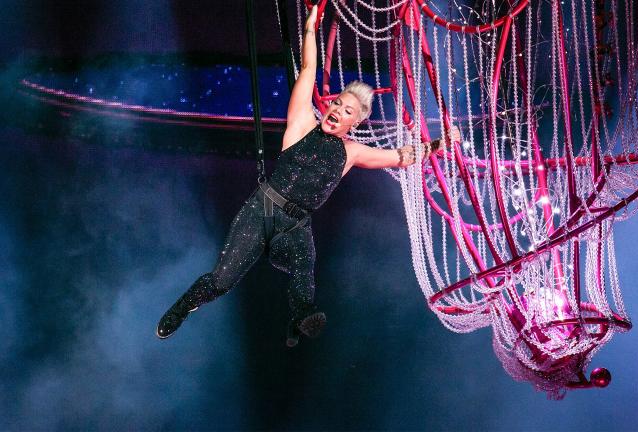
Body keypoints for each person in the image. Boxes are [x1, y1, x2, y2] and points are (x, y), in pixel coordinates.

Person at [156, 5, 460, 347]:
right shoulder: (302, 122)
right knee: (222, 280)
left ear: (355, 122)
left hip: (296, 225)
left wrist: (439, 143)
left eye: (346, 111)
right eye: (336, 104)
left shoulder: (352, 152)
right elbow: (309, 67)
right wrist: (312, 25)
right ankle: (183, 306)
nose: (336, 111)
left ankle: (302, 316)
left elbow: (402, 157)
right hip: (262, 212)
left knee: (305, 262)